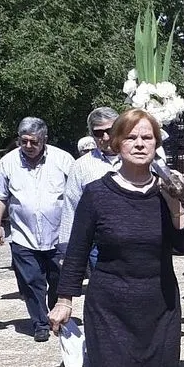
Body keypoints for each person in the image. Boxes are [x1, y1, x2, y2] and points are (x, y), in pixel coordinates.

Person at [48, 109, 184, 367]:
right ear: (116, 143)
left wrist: (177, 205)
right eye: (131, 137)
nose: (140, 143)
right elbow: (77, 252)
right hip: (110, 307)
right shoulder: (97, 194)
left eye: (147, 137)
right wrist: (64, 300)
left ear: (157, 144)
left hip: (160, 304)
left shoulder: (167, 189)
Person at [0, 117, 73, 342]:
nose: (27, 146)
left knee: (58, 279)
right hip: (23, 235)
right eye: (23, 141)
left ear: (44, 139)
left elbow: (76, 194)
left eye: (33, 142)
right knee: (31, 282)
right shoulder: (8, 162)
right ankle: (40, 323)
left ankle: (57, 317)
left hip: (58, 236)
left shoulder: (62, 159)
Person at [59, 107, 121, 269]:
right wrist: (67, 248)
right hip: (98, 242)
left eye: (110, 130)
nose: (106, 137)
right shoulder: (81, 166)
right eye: (99, 133)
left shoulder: (137, 158)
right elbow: (71, 206)